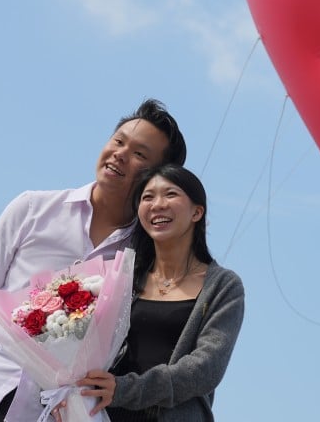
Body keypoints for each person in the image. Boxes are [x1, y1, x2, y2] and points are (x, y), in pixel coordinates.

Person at [0, 99, 187, 422]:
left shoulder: (146, 260)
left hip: (57, 413)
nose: (120, 153)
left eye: (139, 154)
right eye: (118, 141)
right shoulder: (33, 209)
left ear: (157, 176)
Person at [76, 163, 245, 422]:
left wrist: (126, 389)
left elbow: (206, 369)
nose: (157, 204)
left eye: (170, 194)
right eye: (147, 197)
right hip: (102, 414)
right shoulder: (123, 278)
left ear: (197, 212)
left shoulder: (223, 286)